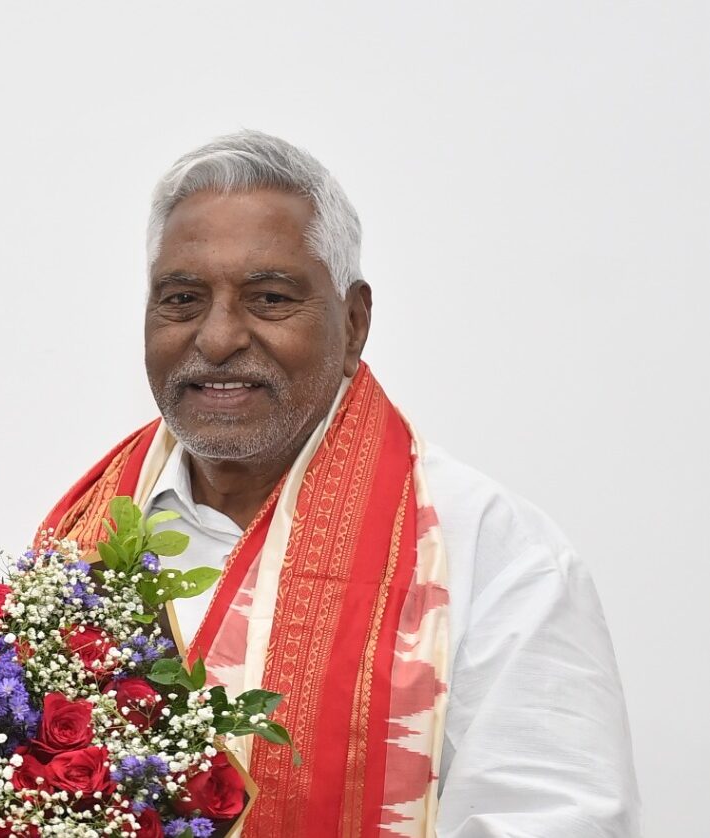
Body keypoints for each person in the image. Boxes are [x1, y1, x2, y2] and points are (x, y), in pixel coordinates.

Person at [40, 131, 639, 836]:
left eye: (267, 298)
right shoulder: (82, 538)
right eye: (181, 298)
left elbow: (559, 821)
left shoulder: (488, 547)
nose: (218, 336)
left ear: (353, 322)